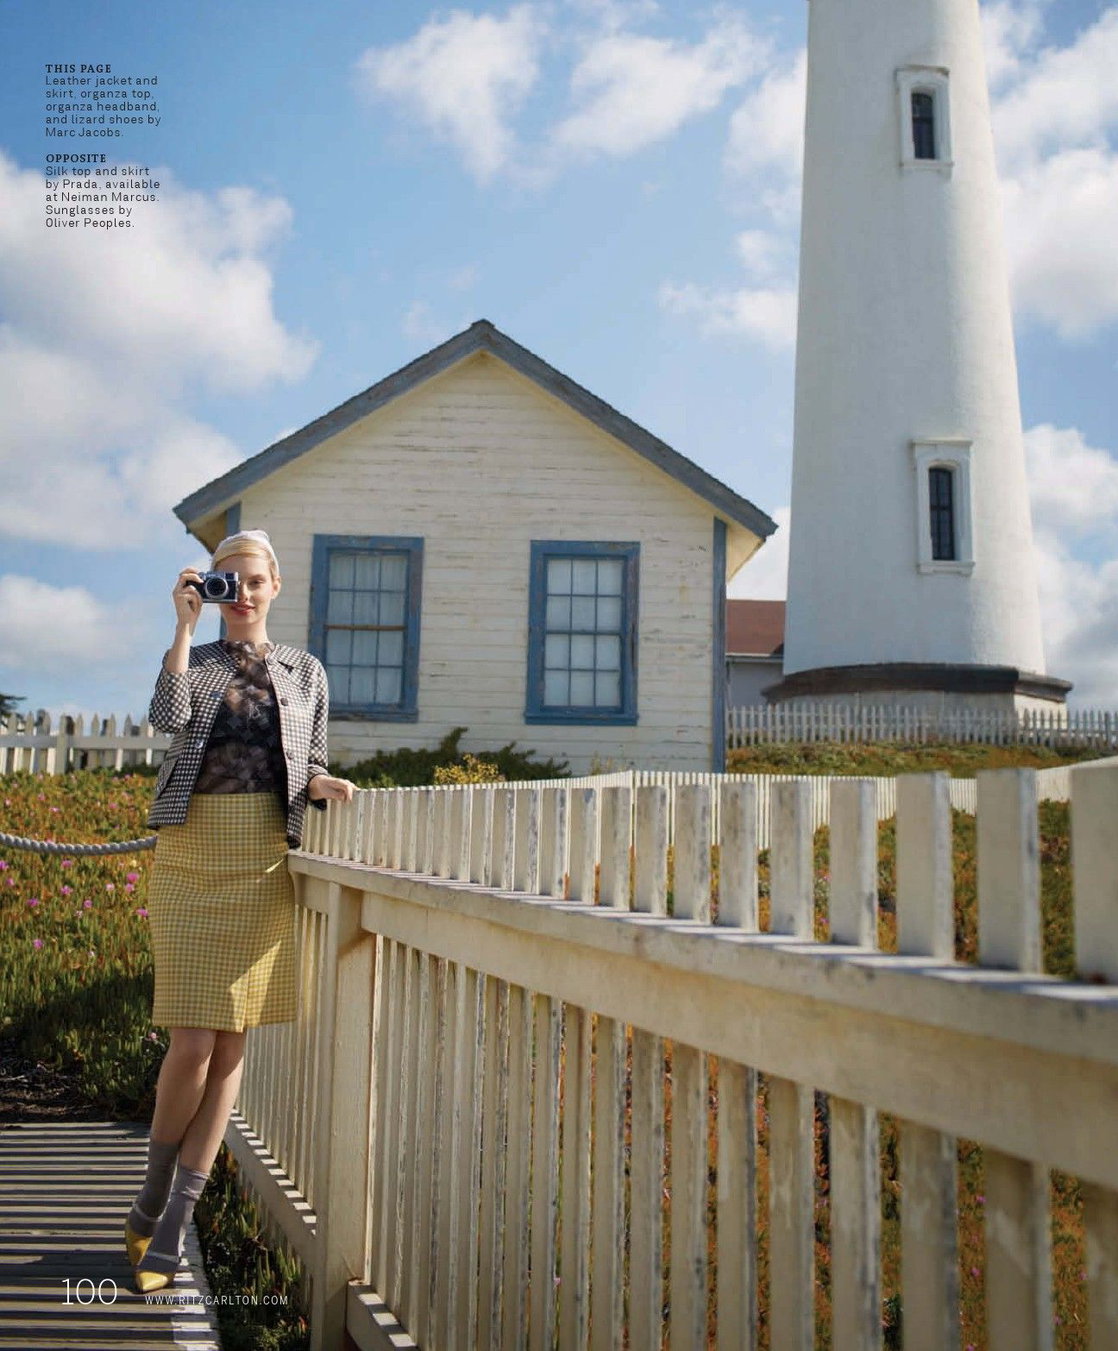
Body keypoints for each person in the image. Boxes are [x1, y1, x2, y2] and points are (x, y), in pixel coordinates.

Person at [125, 528, 354, 1294]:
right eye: (229, 582)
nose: (243, 594)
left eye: (255, 581)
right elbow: (165, 716)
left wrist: (318, 783)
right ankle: (151, 1191)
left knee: (230, 1046)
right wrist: (183, 626)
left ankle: (174, 1218)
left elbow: (311, 755)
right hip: (192, 854)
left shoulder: (305, 670)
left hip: (261, 857)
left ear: (276, 584)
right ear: (212, 587)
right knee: (192, 1041)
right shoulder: (198, 658)